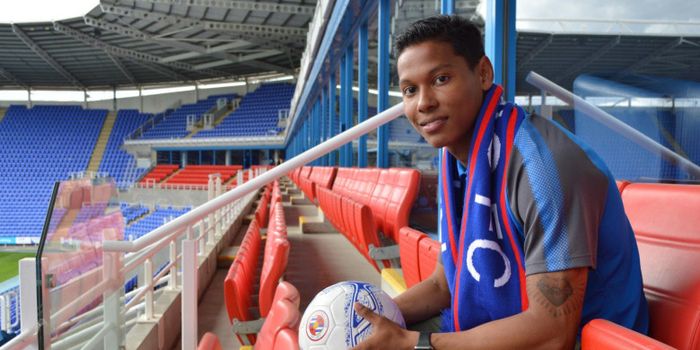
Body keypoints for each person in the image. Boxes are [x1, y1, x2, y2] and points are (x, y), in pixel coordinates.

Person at [353, 15, 648, 349]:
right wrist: (367, 319)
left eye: (440, 79)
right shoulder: (458, 163)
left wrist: (415, 344)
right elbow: (443, 284)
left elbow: (553, 333)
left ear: (483, 74)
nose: (423, 103)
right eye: (409, 90)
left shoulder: (546, 167)